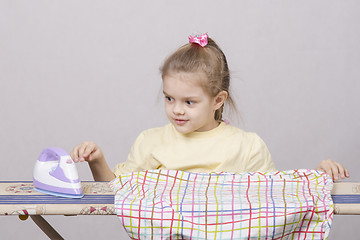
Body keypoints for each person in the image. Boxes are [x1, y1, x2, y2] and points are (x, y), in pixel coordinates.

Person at [70, 33, 350, 182]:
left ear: (218, 100)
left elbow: (277, 199)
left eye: (189, 102)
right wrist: (97, 160)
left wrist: (319, 178)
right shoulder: (150, 142)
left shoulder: (247, 147)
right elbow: (118, 192)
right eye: (169, 98)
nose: (176, 110)